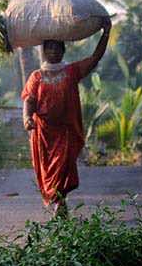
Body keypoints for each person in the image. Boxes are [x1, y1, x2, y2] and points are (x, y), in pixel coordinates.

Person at [21, 19, 112, 216]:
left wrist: (106, 33)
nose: (53, 52)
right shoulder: (36, 77)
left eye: (57, 48)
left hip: (66, 131)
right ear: (44, 51)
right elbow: (29, 99)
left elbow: (95, 57)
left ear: (63, 51)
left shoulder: (72, 71)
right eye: (50, 48)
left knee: (63, 168)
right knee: (48, 170)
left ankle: (59, 203)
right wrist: (27, 118)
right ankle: (58, 203)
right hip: (44, 133)